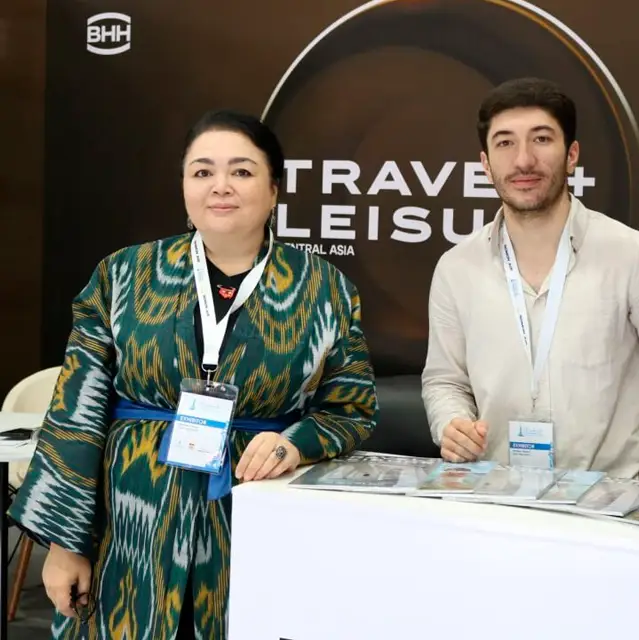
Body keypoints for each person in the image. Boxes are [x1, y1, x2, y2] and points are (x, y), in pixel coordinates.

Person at [7, 110, 378, 638]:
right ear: (184, 186)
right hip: (130, 525)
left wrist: (294, 444)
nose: (220, 186)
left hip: (252, 521)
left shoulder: (325, 290)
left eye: (242, 171)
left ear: (274, 189)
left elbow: (350, 410)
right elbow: (76, 413)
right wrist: (66, 545)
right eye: (202, 171)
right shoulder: (123, 275)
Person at [421, 77, 639, 483]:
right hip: (494, 495)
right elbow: (444, 379)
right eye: (505, 143)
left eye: (541, 139)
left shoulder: (634, 257)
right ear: (486, 164)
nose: (523, 160)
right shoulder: (457, 268)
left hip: (609, 502)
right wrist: (451, 424)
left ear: (571, 155)